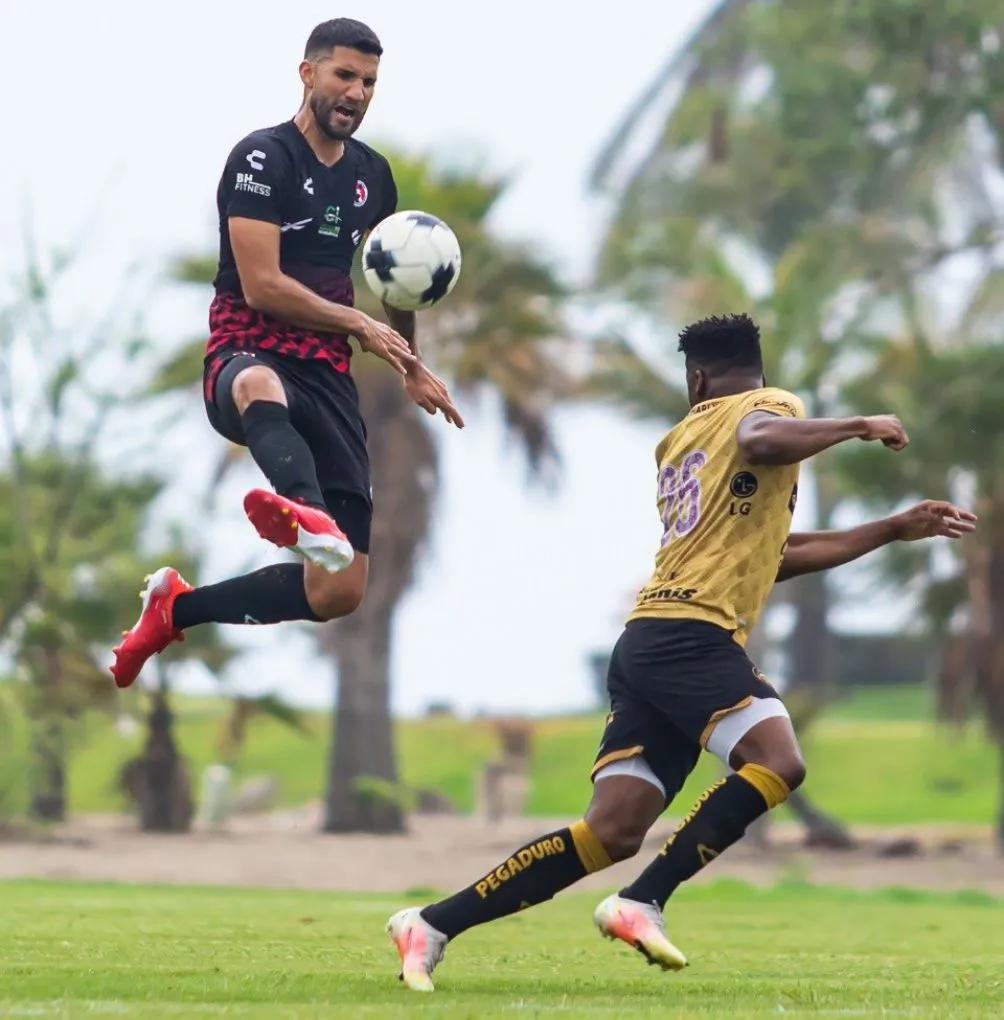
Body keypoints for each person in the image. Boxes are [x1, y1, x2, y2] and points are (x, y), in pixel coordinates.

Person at [386, 312, 977, 992]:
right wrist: (856, 425)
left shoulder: (680, 440)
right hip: (690, 635)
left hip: (647, 639)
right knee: (778, 761)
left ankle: (431, 924)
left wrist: (892, 528)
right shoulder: (767, 408)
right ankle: (642, 900)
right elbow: (762, 436)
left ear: (695, 378)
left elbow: (775, 555)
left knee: (611, 831)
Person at [111, 18, 462, 688]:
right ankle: (304, 510)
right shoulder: (261, 158)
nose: (356, 93)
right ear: (308, 73)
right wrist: (356, 321)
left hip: (327, 376)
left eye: (369, 82)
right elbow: (262, 285)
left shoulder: (373, 177)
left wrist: (411, 365)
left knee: (340, 591)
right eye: (344, 76)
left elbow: (394, 280)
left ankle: (176, 609)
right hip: (247, 347)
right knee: (259, 385)